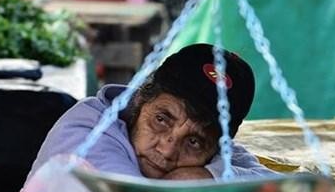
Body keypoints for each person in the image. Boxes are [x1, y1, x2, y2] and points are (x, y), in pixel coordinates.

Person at [24, 43, 275, 184]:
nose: (167, 151)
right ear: (140, 99)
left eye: (194, 141)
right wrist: (199, 182)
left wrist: (207, 174)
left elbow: (287, 191)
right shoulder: (85, 131)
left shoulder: (215, 155)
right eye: (162, 120)